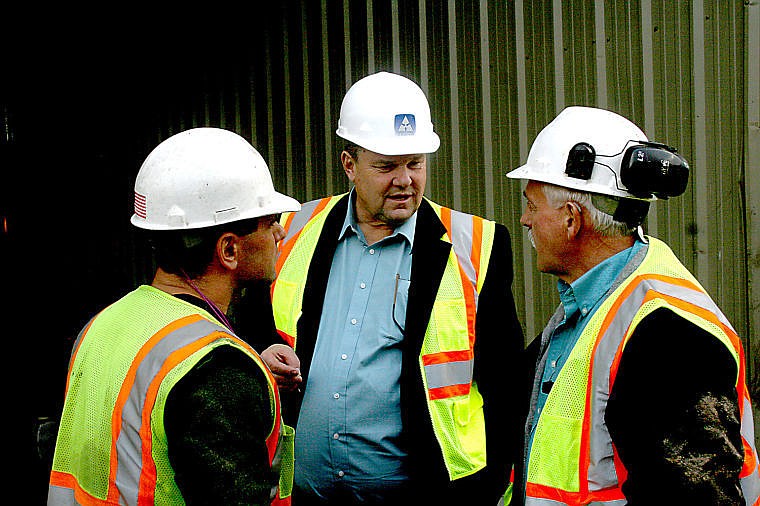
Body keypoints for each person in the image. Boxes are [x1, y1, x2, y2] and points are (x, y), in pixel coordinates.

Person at [242, 71, 524, 505]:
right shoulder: (295, 229)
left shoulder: (478, 245)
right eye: (386, 166)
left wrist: (486, 491)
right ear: (348, 165)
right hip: (303, 494)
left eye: (415, 163)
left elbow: (506, 388)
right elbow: (249, 324)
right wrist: (262, 352)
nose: (405, 180)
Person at [504, 106, 760, 505]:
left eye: (532, 205)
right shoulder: (588, 309)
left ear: (572, 219)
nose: (524, 219)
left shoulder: (671, 338)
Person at [47, 127, 301, 505]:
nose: (280, 232)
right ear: (229, 249)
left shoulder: (102, 326)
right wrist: (241, 382)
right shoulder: (219, 370)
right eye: (268, 222)